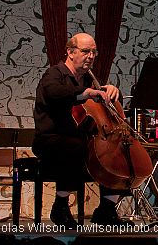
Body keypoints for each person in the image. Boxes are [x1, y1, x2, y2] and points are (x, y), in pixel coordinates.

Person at [32, 32, 131, 228]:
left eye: (94, 52)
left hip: (78, 139)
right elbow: (54, 92)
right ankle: (60, 206)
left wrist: (112, 90)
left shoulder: (88, 79)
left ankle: (107, 209)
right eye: (86, 51)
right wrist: (84, 94)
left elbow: (101, 99)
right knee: (75, 147)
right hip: (50, 139)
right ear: (70, 52)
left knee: (116, 151)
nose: (91, 56)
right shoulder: (54, 74)